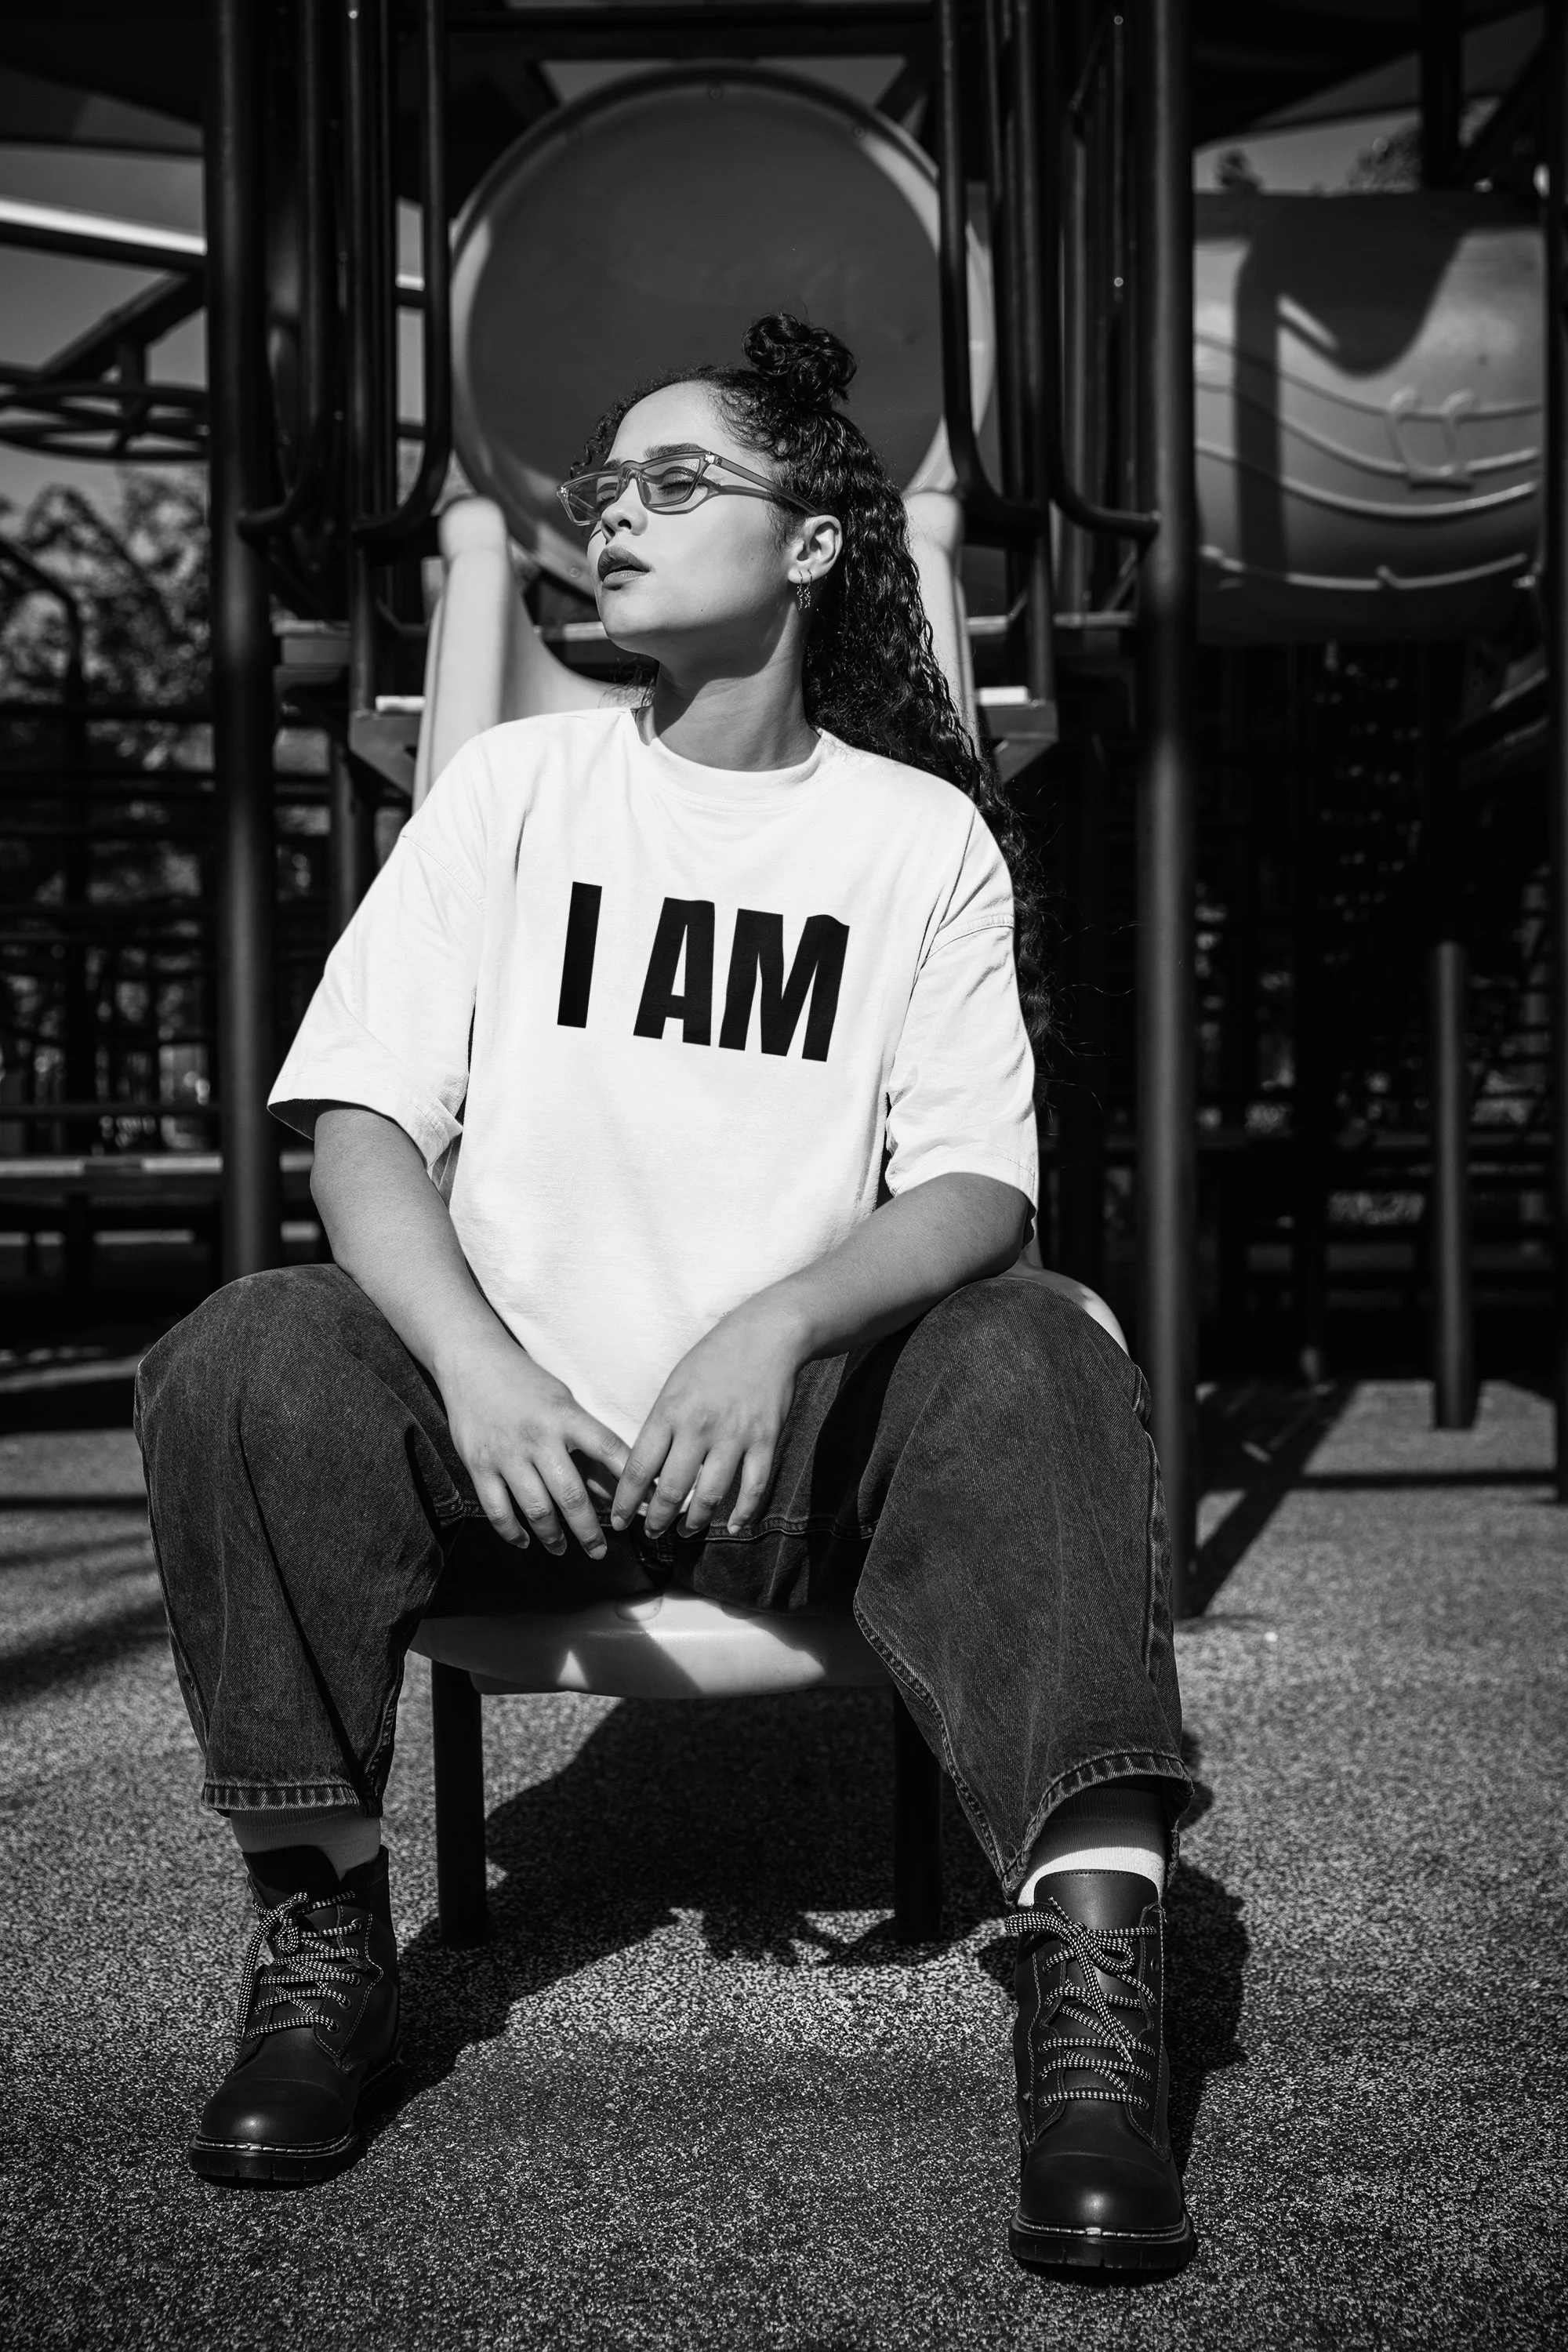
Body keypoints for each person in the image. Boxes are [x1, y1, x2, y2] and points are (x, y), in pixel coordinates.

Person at [136, 314, 1192, 2271]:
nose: (615, 516)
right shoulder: (516, 790)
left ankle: (1096, 2004)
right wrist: (471, 1368)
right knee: (248, 1348)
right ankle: (320, 1927)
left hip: (783, 1469)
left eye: (674, 482)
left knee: (1038, 1343)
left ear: (808, 546)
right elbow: (360, 1119)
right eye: (601, 489)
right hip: (508, 1461)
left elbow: (977, 1183)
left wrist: (774, 1326)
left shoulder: (914, 837)